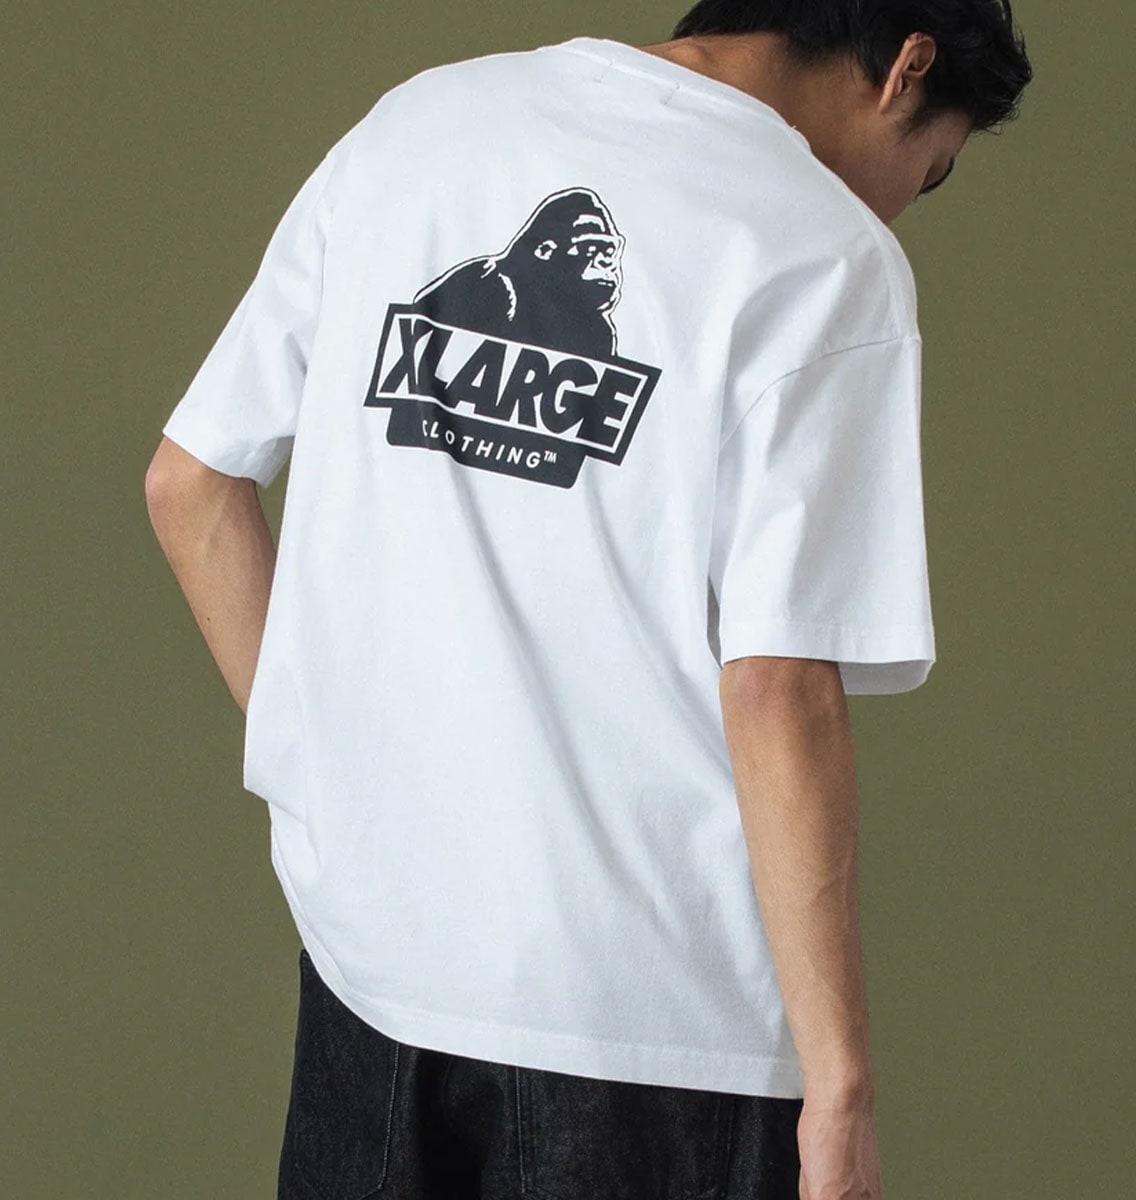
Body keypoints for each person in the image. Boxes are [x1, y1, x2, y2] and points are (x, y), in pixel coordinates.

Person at [145, 3, 1032, 1197]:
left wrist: (340, 786)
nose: (898, 208)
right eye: (930, 172)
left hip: (373, 971)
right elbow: (777, 686)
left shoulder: (421, 126)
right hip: (656, 1032)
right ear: (906, 69)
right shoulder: (823, 252)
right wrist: (842, 1092)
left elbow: (190, 485)